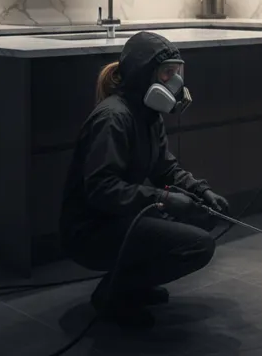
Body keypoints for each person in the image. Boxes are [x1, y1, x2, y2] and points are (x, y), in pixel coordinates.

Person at [59, 31, 230, 328]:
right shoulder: (113, 118)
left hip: (117, 216)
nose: (175, 82)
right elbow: (102, 189)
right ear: (143, 73)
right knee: (197, 245)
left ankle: (132, 284)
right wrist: (163, 199)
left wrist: (199, 192)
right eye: (167, 73)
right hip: (90, 229)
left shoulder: (148, 114)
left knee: (199, 219)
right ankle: (113, 294)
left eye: (176, 72)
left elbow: (166, 168)